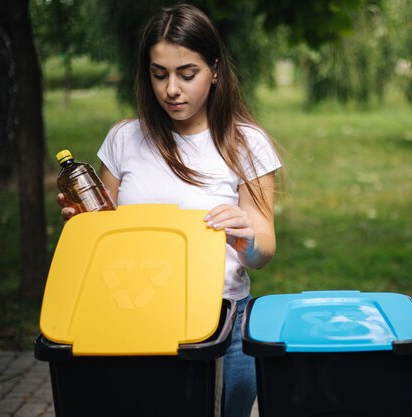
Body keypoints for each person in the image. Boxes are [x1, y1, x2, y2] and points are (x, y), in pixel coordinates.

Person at [58, 4, 282, 417]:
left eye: (187, 74)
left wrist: (246, 237)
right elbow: (106, 235)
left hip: (222, 324)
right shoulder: (124, 139)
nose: (171, 90)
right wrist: (84, 232)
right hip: (133, 319)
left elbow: (263, 252)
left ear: (214, 70)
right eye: (159, 74)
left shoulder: (246, 143)